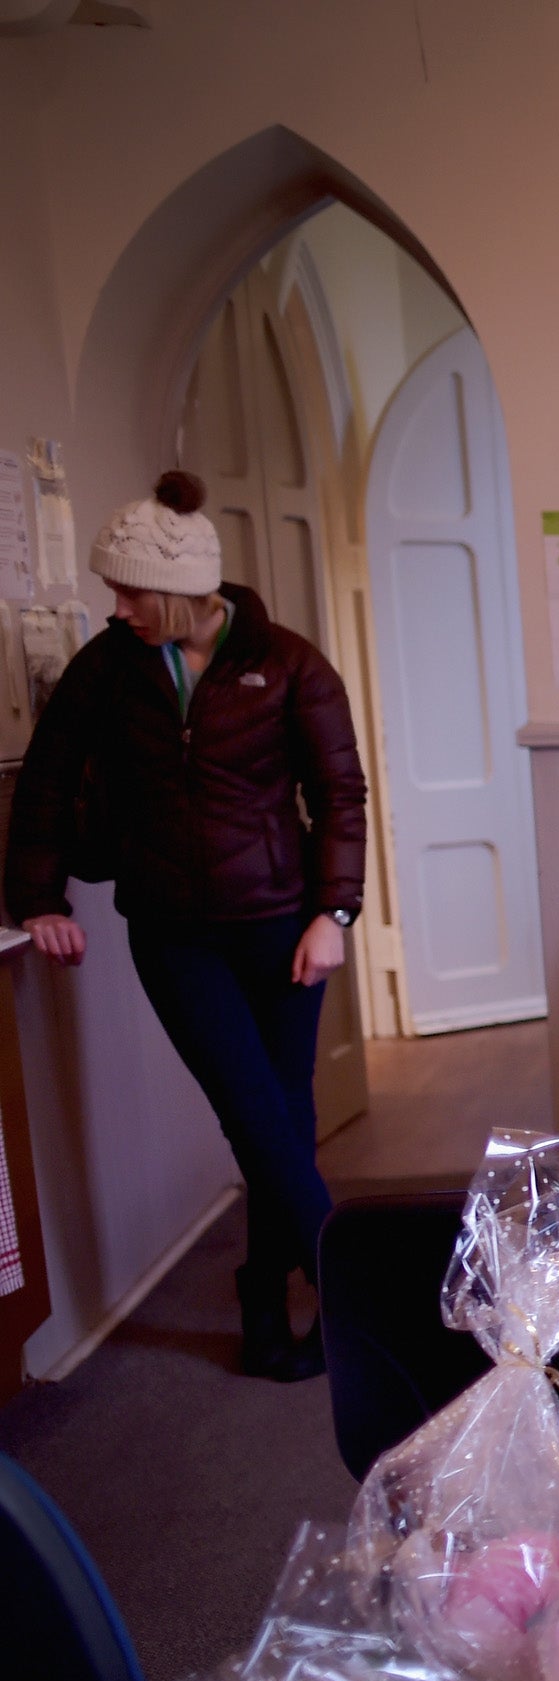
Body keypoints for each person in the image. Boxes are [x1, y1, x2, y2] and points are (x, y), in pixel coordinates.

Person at [6, 472, 368, 1380]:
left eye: (129, 592)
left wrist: (335, 911)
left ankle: (264, 1312)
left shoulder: (287, 662)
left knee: (285, 1112)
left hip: (285, 926)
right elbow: (47, 780)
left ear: (175, 592)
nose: (116, 607)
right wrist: (39, 897)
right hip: (174, 933)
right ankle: (360, 1291)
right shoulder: (106, 670)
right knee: (254, 1110)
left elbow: (339, 794)